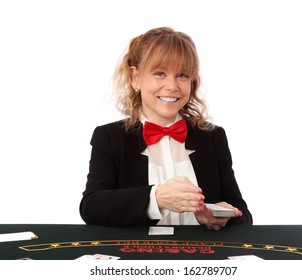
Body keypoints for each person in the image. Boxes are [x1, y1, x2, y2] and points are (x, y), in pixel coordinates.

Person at [80, 27, 252, 230]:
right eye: (160, 73)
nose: (172, 86)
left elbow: (243, 216)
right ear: (135, 78)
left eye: (182, 75)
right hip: (137, 258)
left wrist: (223, 217)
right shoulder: (109, 137)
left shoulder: (213, 137)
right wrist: (156, 198)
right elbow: (91, 207)